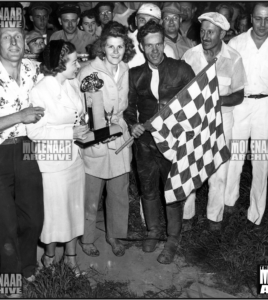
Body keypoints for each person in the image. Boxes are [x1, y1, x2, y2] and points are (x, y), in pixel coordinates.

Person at [124, 20, 195, 264]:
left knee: (173, 190)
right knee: (148, 188)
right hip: (144, 142)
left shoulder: (182, 69)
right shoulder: (134, 74)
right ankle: (153, 231)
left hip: (174, 141)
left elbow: (195, 105)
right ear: (142, 47)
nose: (155, 50)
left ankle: (173, 238)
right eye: (149, 45)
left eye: (159, 44)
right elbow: (128, 107)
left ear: (164, 43)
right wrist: (132, 123)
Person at [224, 2, 268, 226]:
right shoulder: (236, 43)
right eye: (258, 18)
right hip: (241, 105)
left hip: (266, 108)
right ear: (250, 17)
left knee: (261, 161)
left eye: (267, 19)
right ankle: (228, 205)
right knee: (235, 157)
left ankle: (256, 213)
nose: (262, 24)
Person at [26, 40, 88, 276]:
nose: (78, 65)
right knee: (53, 214)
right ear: (60, 64)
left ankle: (71, 258)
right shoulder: (40, 91)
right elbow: (35, 132)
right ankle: (49, 257)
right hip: (53, 162)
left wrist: (86, 128)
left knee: (73, 208)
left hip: (74, 158)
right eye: (74, 61)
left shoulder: (71, 83)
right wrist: (70, 132)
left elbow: (76, 115)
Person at [182, 12, 247, 231]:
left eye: (211, 32)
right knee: (190, 169)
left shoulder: (234, 58)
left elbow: (238, 94)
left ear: (222, 33)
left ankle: (214, 219)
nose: (205, 36)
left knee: (219, 172)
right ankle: (186, 217)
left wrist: (217, 100)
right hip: (195, 122)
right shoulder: (190, 56)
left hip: (222, 122)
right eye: (202, 31)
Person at [78, 21, 136, 257]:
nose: (115, 52)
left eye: (120, 47)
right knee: (92, 193)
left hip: (119, 130)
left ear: (126, 48)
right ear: (102, 47)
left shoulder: (125, 68)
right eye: (110, 46)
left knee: (119, 191)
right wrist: (100, 131)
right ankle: (87, 237)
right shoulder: (90, 71)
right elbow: (91, 110)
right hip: (98, 132)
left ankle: (115, 236)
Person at [0, 9, 45, 288]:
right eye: (6, 37)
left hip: (27, 148)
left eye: (18, 36)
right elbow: (25, 114)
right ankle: (9, 281)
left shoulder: (34, 69)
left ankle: (28, 266)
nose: (14, 43)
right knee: (5, 224)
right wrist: (19, 116)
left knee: (33, 215)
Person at [127, 3, 176, 69]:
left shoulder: (168, 51)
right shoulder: (124, 44)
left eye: (152, 21)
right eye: (142, 20)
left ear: (160, 23)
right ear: (136, 21)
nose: (146, 25)